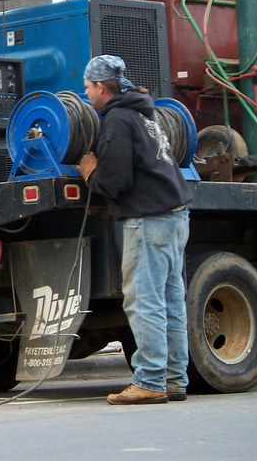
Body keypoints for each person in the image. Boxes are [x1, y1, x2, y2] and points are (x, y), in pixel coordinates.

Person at [77, 55, 193, 406]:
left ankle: (150, 380)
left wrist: (88, 169)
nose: (86, 95)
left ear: (100, 87)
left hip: (148, 220)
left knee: (145, 302)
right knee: (171, 303)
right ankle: (174, 379)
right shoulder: (146, 113)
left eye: (87, 88)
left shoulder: (117, 120)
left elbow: (115, 181)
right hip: (174, 216)